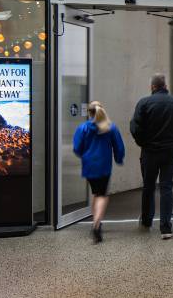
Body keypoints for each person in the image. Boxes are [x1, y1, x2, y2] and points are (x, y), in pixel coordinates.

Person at [130, 74, 173, 240]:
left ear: (152, 87)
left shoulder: (144, 103)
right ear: (166, 86)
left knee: (148, 187)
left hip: (149, 153)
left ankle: (146, 221)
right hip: (170, 153)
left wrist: (143, 143)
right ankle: (166, 228)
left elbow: (135, 128)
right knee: (167, 188)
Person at [73, 101, 125, 244]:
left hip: (89, 166)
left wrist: (86, 154)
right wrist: (119, 159)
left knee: (96, 193)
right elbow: (119, 147)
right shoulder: (110, 127)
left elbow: (77, 148)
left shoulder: (82, 128)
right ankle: (96, 224)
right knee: (102, 195)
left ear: (89, 113)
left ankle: (96, 221)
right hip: (104, 166)